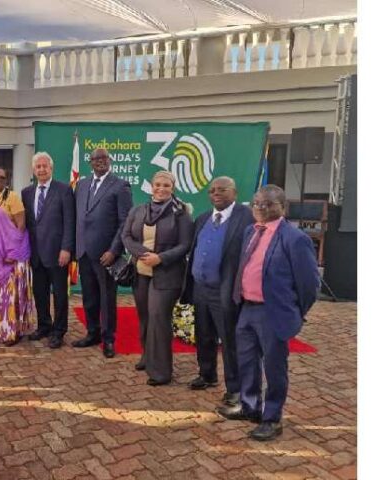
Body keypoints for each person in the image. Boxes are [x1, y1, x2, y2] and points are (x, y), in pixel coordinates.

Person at [218, 185, 319, 441]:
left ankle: (272, 418)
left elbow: (310, 285)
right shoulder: (250, 231)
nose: (261, 207)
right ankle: (251, 407)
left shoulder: (295, 239)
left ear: (282, 208)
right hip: (247, 309)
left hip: (272, 314)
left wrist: (294, 312)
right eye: (256, 203)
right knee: (247, 363)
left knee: (274, 369)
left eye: (268, 204)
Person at [181, 177, 253, 405]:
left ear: (234, 192)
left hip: (226, 290)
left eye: (222, 190)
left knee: (230, 340)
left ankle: (235, 388)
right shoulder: (203, 218)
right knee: (204, 334)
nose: (216, 193)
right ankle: (207, 374)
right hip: (201, 288)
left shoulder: (246, 217)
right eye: (212, 190)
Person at [122, 171, 193, 385]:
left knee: (158, 318)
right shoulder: (138, 210)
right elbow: (126, 236)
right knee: (144, 316)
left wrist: (160, 258)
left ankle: (161, 372)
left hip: (167, 275)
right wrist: (143, 254)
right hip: (141, 273)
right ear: (151, 186)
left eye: (166, 185)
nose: (161, 188)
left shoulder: (181, 214)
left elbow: (185, 245)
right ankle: (147, 356)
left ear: (173, 188)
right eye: (157, 184)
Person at [72, 148, 133, 358]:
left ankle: (108, 339)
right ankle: (92, 333)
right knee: (88, 296)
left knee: (107, 298)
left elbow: (125, 222)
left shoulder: (120, 186)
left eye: (103, 158)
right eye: (95, 159)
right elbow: (79, 217)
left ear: (110, 160)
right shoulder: (81, 185)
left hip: (106, 254)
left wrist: (114, 250)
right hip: (84, 252)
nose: (99, 161)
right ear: (90, 163)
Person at [21, 152, 75, 349]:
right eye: (38, 166)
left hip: (57, 253)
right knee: (40, 293)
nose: (41, 169)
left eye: (45, 166)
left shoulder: (64, 190)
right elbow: (26, 224)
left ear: (51, 169)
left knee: (60, 295)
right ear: (33, 170)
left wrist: (66, 248)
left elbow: (70, 221)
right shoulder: (26, 192)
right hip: (35, 254)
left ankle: (59, 331)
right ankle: (44, 325)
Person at [0, 167, 36, 346]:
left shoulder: (12, 198)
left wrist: (13, 254)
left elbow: (20, 227)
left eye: (0, 177)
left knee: (11, 297)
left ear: (6, 179)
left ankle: (12, 332)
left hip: (11, 258)